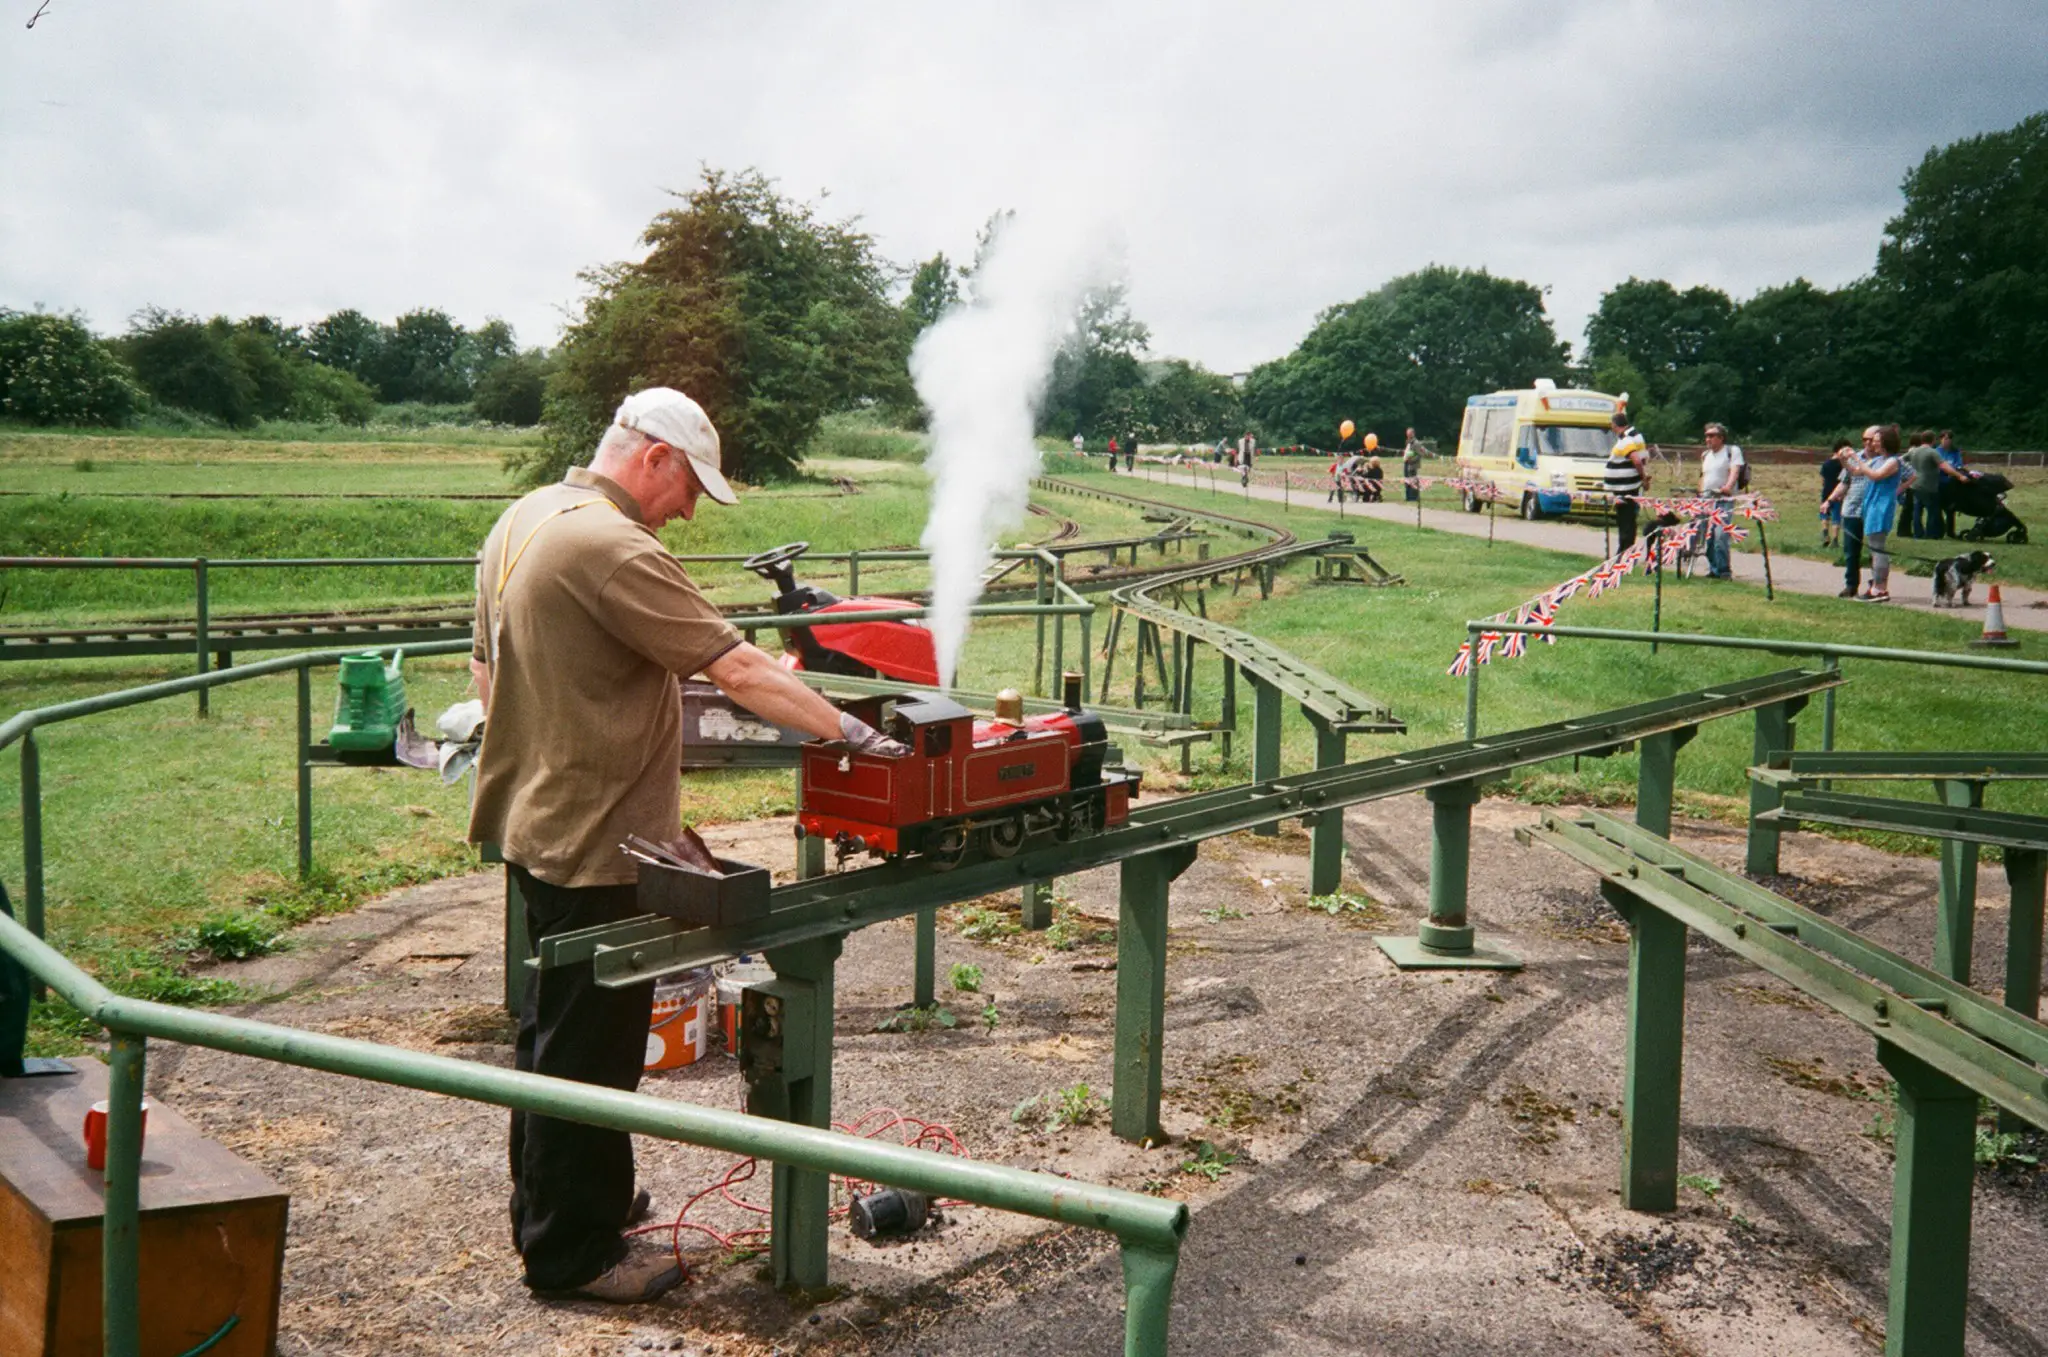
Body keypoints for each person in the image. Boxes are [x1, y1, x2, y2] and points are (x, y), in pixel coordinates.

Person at [469, 388, 907, 1303]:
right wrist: (852, 733)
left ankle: (559, 1205)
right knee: (591, 1053)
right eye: (692, 487)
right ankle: (573, 1253)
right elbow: (738, 666)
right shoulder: (613, 545)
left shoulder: (526, 517)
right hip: (599, 843)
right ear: (655, 457)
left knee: (551, 1033)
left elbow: (485, 672)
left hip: (534, 822)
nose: (690, 510)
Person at [1847, 423, 1904, 601]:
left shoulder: (1893, 461)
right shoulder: (1878, 459)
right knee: (1874, 548)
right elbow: (1856, 472)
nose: (1873, 444)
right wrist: (1844, 459)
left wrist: (1856, 458)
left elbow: (1875, 475)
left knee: (1877, 547)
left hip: (1881, 507)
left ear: (1886, 442)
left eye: (1877, 441)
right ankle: (1876, 587)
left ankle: (1879, 589)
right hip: (1871, 505)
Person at [1828, 426, 1877, 597]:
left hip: (1874, 510)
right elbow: (1845, 481)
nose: (1867, 443)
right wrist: (1830, 500)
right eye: (1864, 439)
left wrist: (1897, 492)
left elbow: (1909, 476)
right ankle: (1851, 585)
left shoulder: (1884, 460)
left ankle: (1876, 585)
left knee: (1875, 551)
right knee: (1851, 551)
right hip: (1852, 509)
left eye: (1871, 439)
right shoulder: (1855, 458)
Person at [1698, 422, 1744, 579]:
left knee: (1720, 534)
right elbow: (1703, 476)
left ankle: (1724, 570)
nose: (1708, 439)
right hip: (1706, 500)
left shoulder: (1732, 451)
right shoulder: (1705, 455)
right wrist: (1699, 495)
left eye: (1711, 436)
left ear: (1721, 437)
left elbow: (1735, 471)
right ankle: (1714, 569)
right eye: (1706, 436)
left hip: (1723, 499)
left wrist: (1728, 487)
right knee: (1708, 536)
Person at [1603, 409, 1650, 553]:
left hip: (1626, 488)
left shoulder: (1627, 440)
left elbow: (1637, 460)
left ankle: (1625, 549)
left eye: (1612, 424)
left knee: (1625, 519)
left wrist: (1643, 478)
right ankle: (1625, 548)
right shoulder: (1630, 438)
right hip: (1624, 487)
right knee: (1625, 519)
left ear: (1615, 425)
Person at [1903, 429, 1948, 540]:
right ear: (1933, 440)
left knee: (1917, 511)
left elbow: (1901, 460)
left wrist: (1907, 472)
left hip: (1914, 484)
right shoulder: (1932, 452)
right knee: (1932, 510)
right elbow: (1943, 466)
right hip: (1928, 486)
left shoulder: (1914, 451)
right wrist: (1959, 475)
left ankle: (1918, 533)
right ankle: (1930, 533)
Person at [1818, 439, 1851, 550]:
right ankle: (1835, 540)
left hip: (1826, 491)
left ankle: (1825, 534)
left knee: (1824, 514)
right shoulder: (1843, 465)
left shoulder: (1826, 464)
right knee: (1836, 516)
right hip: (1838, 493)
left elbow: (1823, 479)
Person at [1937, 430, 1967, 536]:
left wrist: (1953, 470)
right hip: (1939, 483)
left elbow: (1959, 465)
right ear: (1940, 439)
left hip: (1952, 483)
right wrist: (1948, 469)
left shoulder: (1955, 452)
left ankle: (1950, 531)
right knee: (1938, 507)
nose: (1947, 441)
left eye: (1949, 439)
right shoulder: (1936, 452)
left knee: (1950, 508)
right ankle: (1940, 529)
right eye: (1945, 438)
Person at [1401, 432, 1422, 503]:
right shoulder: (1408, 443)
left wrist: (1411, 460)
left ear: (1413, 434)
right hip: (1406, 463)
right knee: (1407, 480)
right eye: (1407, 434)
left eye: (1409, 434)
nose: (1408, 436)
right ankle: (1408, 497)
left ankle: (1414, 497)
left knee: (1413, 480)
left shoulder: (1416, 443)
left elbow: (1419, 455)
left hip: (1412, 464)